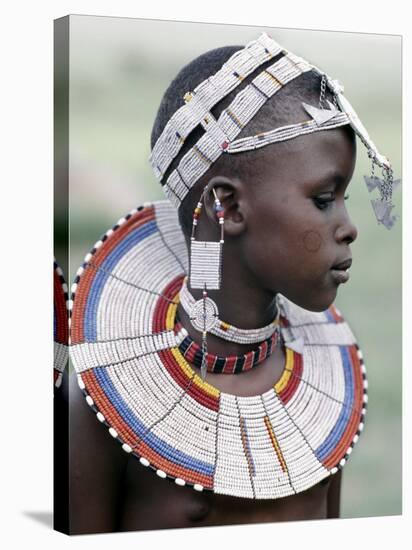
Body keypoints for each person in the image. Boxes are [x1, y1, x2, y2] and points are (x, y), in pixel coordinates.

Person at [66, 32, 398, 534]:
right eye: (325, 198)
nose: (349, 226)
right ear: (227, 207)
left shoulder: (333, 387)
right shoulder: (99, 395)